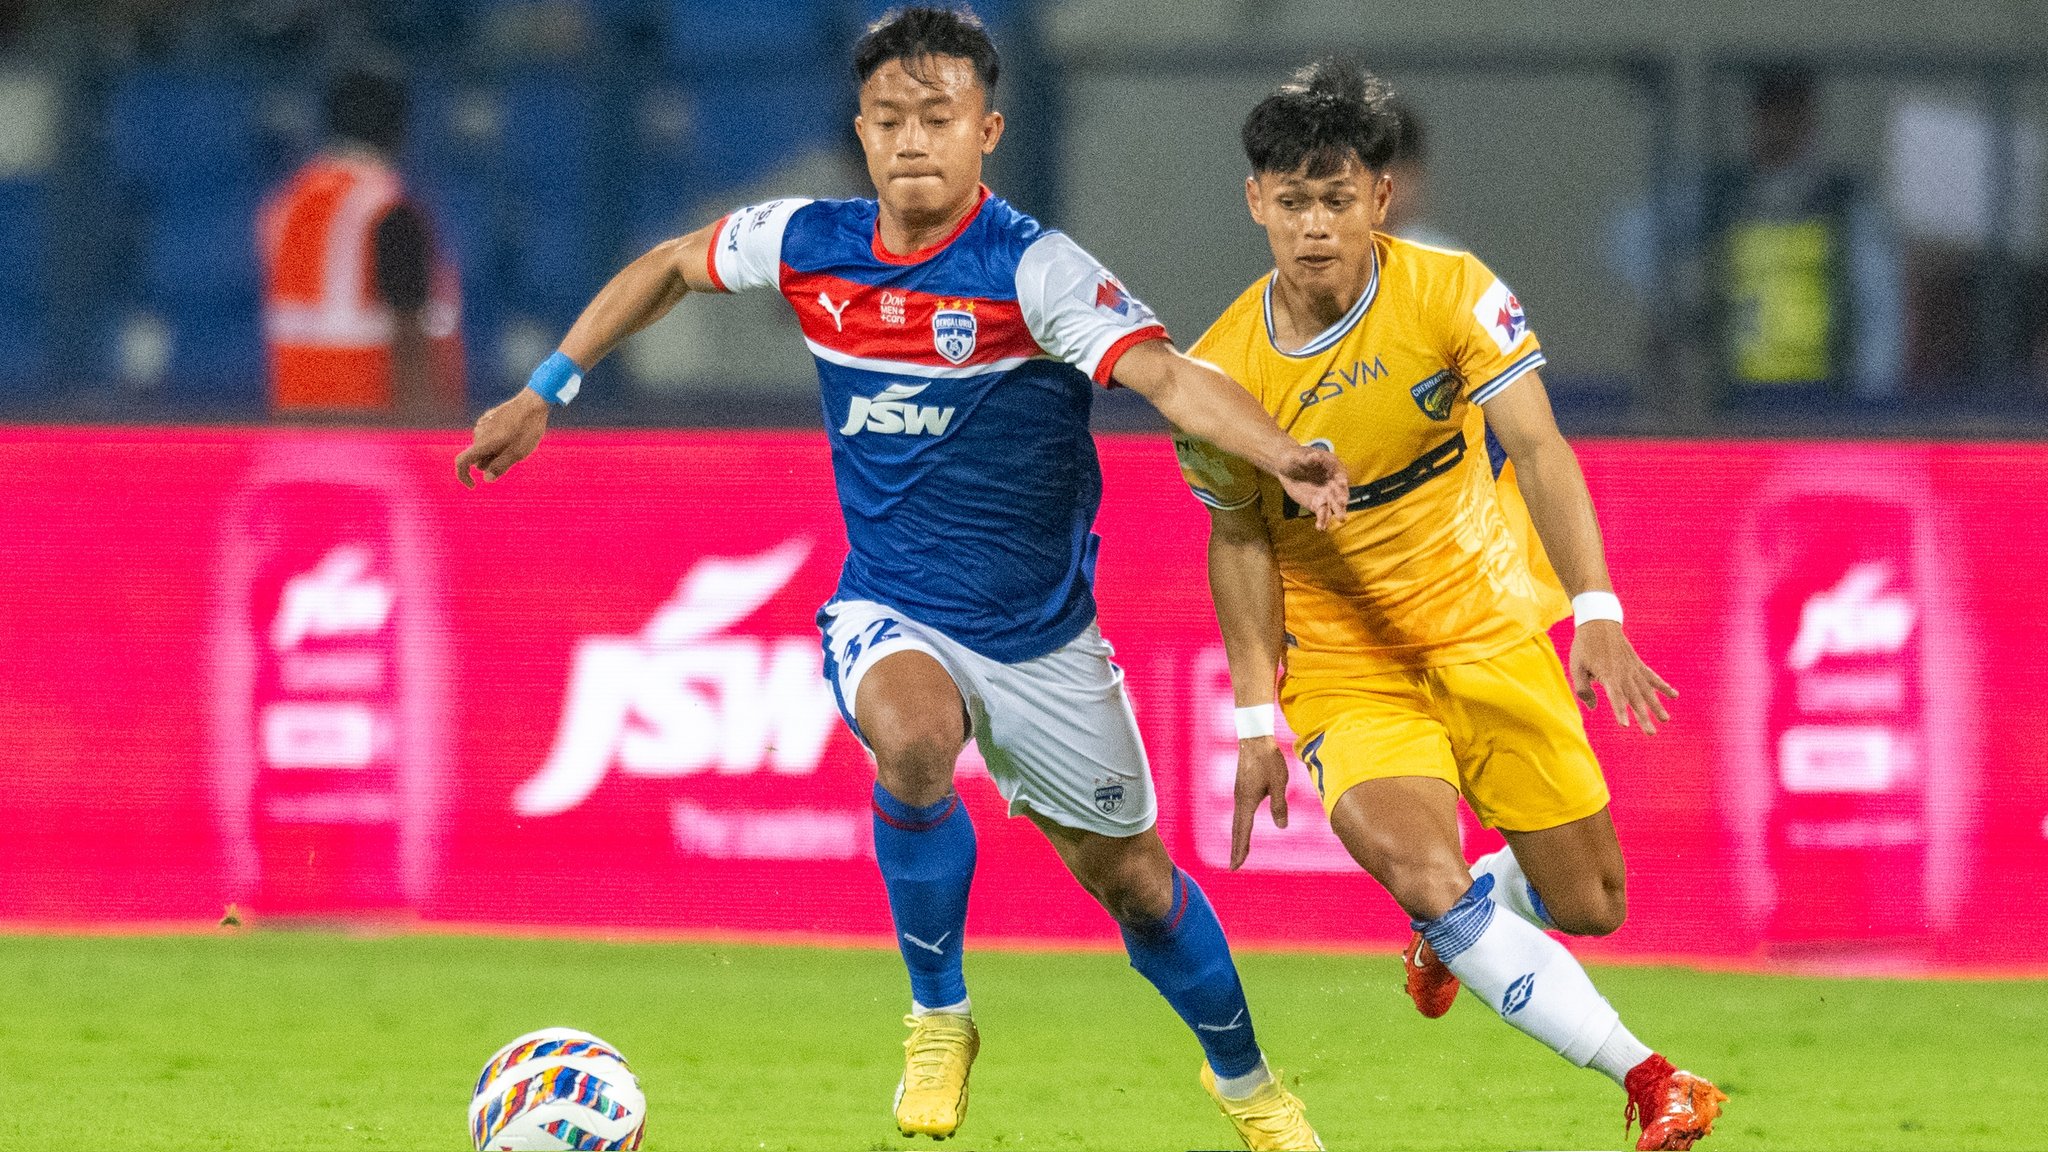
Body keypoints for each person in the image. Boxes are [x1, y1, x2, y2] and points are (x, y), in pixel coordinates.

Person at [455, 8, 1344, 1149]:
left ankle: (1249, 1087)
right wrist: (545, 389)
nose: (911, 140)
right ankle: (938, 1016)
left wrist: (1280, 452)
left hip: (1041, 637)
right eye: (887, 120)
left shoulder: (1034, 268)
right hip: (890, 605)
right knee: (915, 738)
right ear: (861, 133)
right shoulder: (808, 241)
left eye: (937, 118)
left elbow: (1165, 377)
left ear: (987, 130)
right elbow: (672, 264)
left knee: (1135, 885)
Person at [1173, 59, 1727, 1150]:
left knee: (1590, 904)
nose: (1313, 227)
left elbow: (1537, 446)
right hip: (1346, 670)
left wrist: (1597, 608)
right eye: (1290, 202)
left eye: (1335, 199)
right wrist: (1251, 717)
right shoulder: (1217, 378)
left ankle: (1465, 913)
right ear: (1255, 204)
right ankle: (1649, 1077)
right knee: (1418, 872)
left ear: (1379, 199)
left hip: (1486, 630)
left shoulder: (1453, 293)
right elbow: (1234, 536)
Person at [258, 66, 465, 422]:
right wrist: (434, 440)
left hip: (296, 426)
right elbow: (411, 342)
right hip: (372, 431)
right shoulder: (387, 209)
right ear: (398, 131)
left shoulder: (286, 205)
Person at [1701, 65, 1901, 402]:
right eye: (1770, 114)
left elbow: (1878, 306)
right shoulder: (1725, 197)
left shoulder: (1843, 203)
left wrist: (1871, 406)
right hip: (1738, 400)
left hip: (1822, 400)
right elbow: (1631, 241)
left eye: (1790, 114)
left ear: (1809, 121)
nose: (1779, 127)